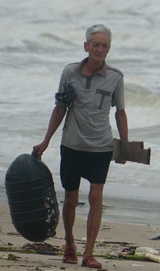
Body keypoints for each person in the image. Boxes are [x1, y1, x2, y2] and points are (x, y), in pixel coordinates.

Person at [32, 24, 128, 269]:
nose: (100, 49)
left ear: (109, 49)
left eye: (104, 45)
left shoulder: (116, 76)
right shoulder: (69, 73)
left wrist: (124, 145)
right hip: (72, 145)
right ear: (86, 46)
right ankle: (70, 243)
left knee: (96, 195)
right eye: (95, 44)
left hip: (101, 146)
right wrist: (46, 140)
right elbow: (60, 107)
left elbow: (120, 112)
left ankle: (88, 253)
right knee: (71, 198)